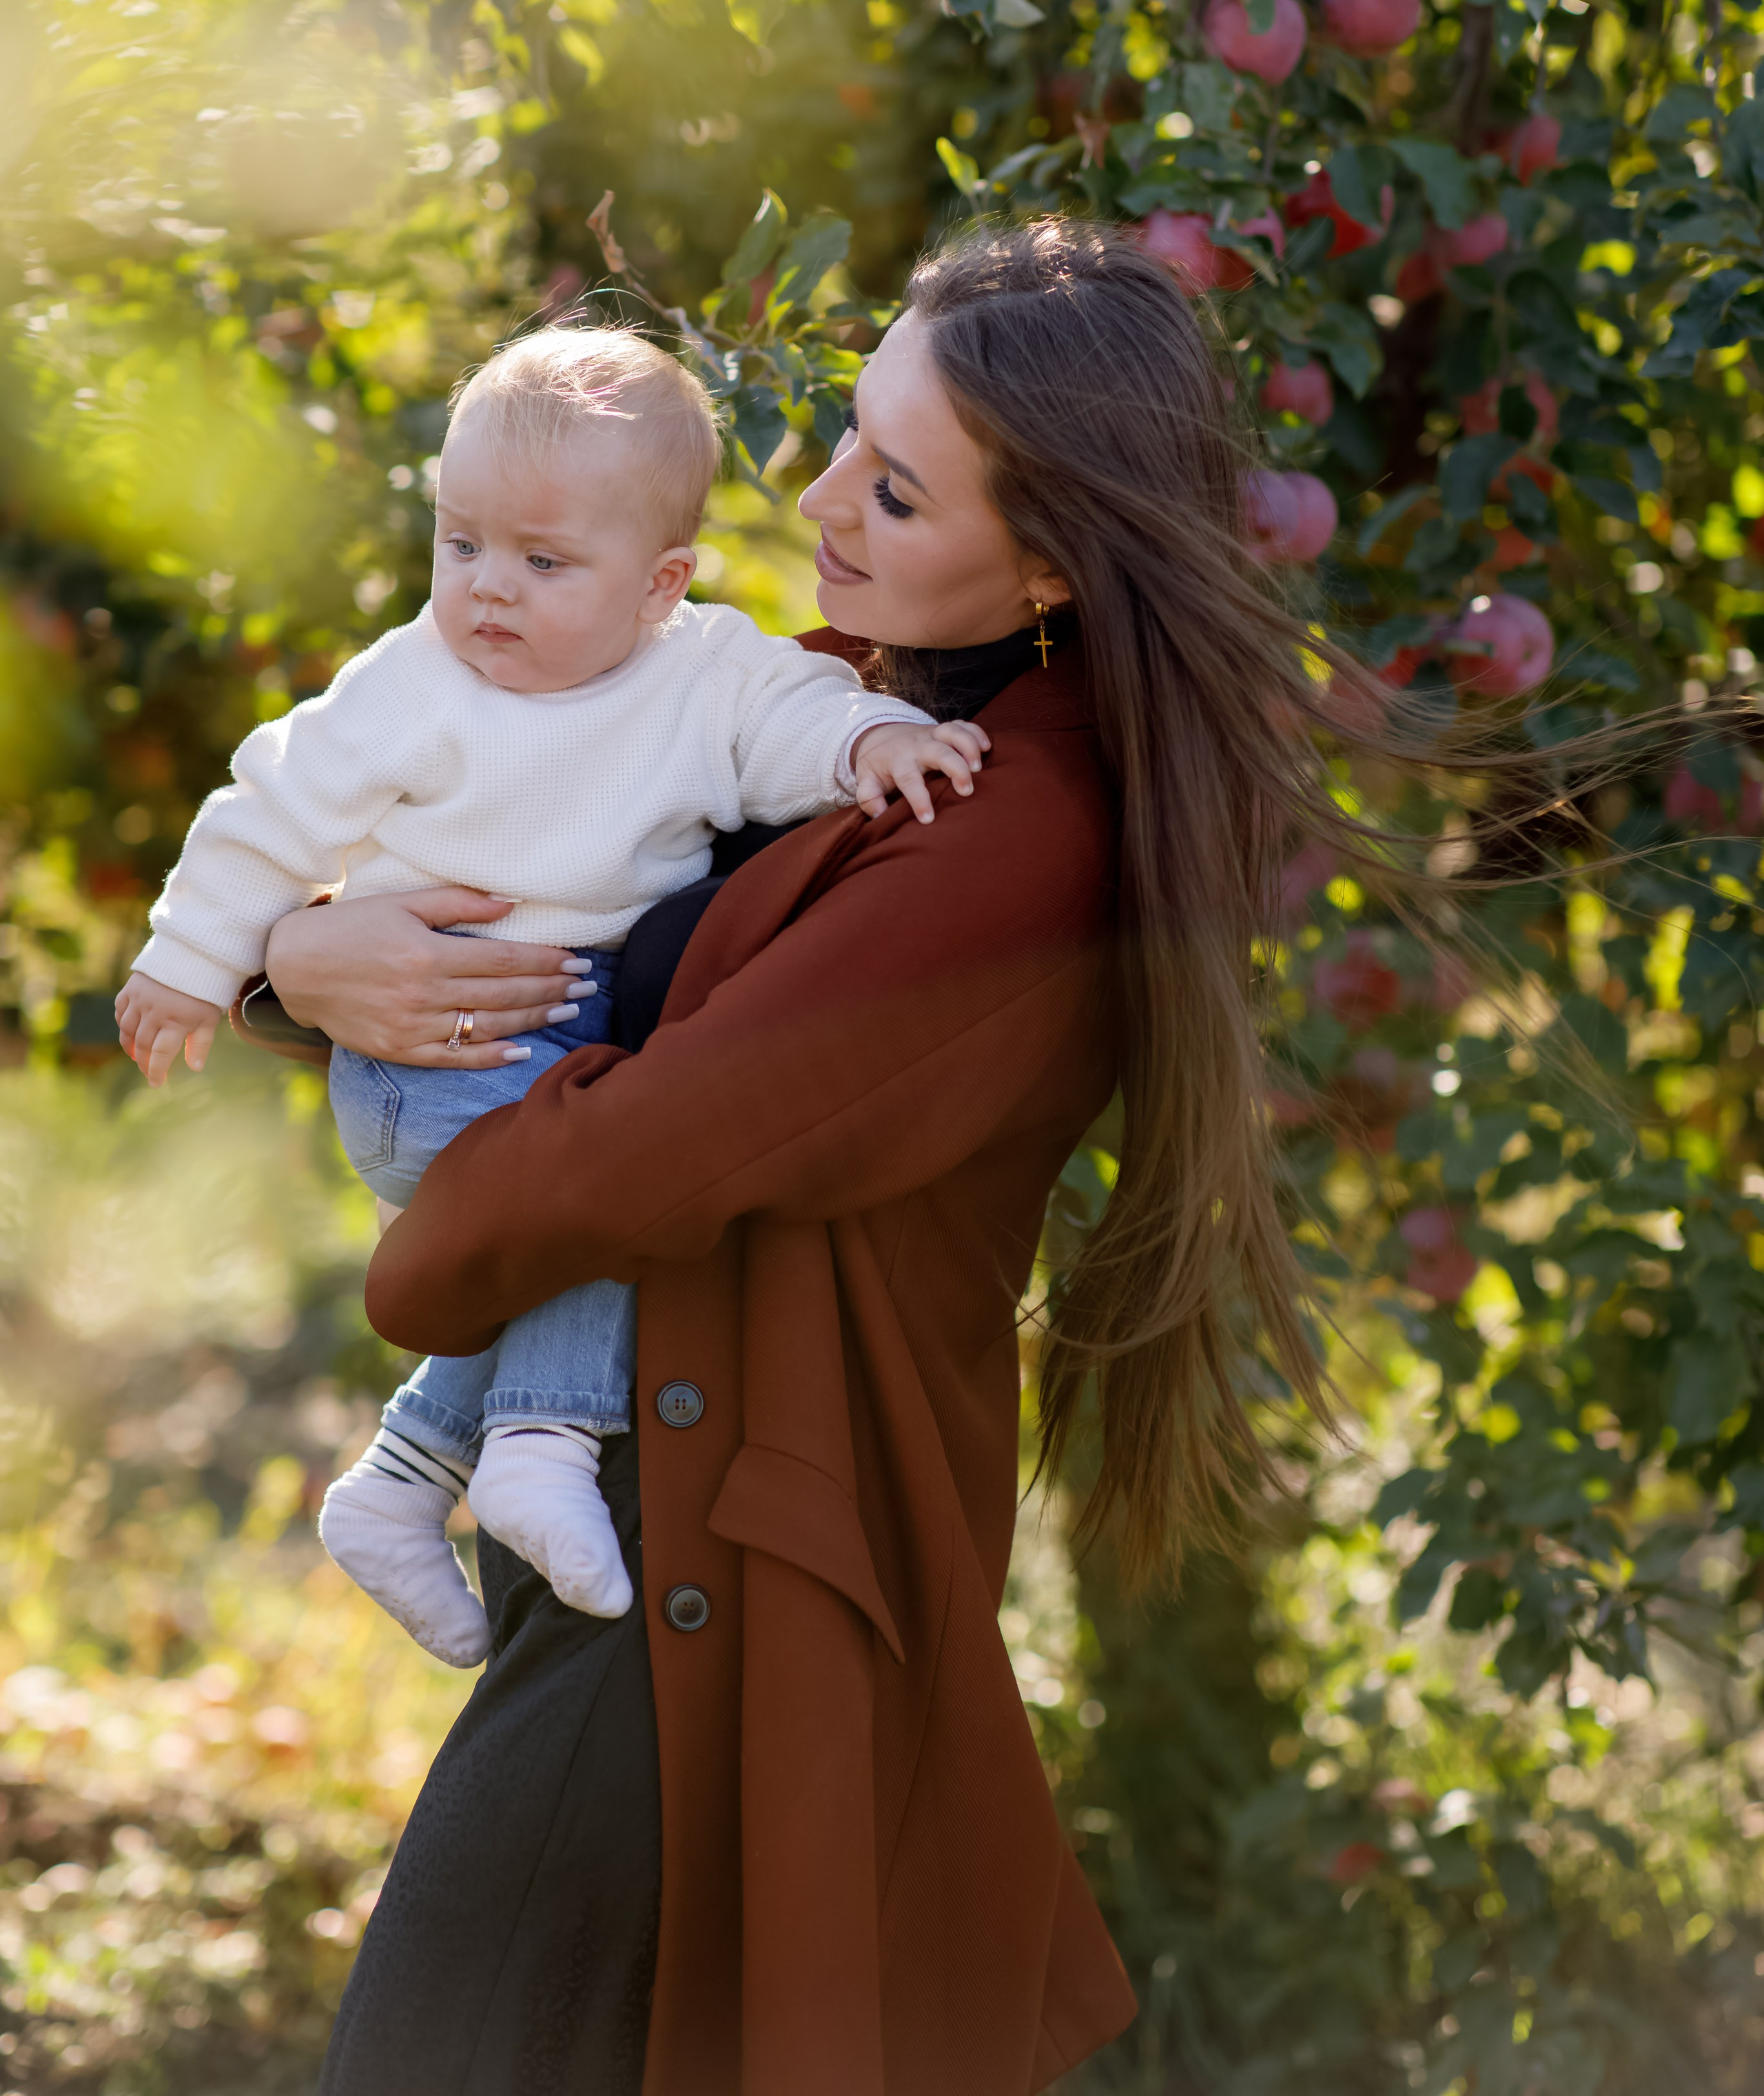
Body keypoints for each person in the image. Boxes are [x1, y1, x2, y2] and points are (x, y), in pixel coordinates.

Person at [258, 218, 1366, 2096]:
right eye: (852, 432)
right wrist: (292, 957)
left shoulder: (1014, 842)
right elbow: (518, 855)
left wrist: (428, 1254)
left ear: (1049, 564)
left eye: (897, 488)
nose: (820, 495)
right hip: (628, 1494)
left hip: (704, 1566)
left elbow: (646, 1154)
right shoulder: (859, 707)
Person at [114, 325, 986, 1666]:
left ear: (659, 584)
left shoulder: (703, 674)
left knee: (599, 1162)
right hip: (424, 1065)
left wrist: (876, 738)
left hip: (559, 1055)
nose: (487, 591)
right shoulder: (415, 683)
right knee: (599, 1188)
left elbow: (797, 716)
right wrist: (190, 963)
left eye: (542, 561)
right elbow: (267, 808)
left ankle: (402, 1482)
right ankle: (539, 1444)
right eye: (460, 543)